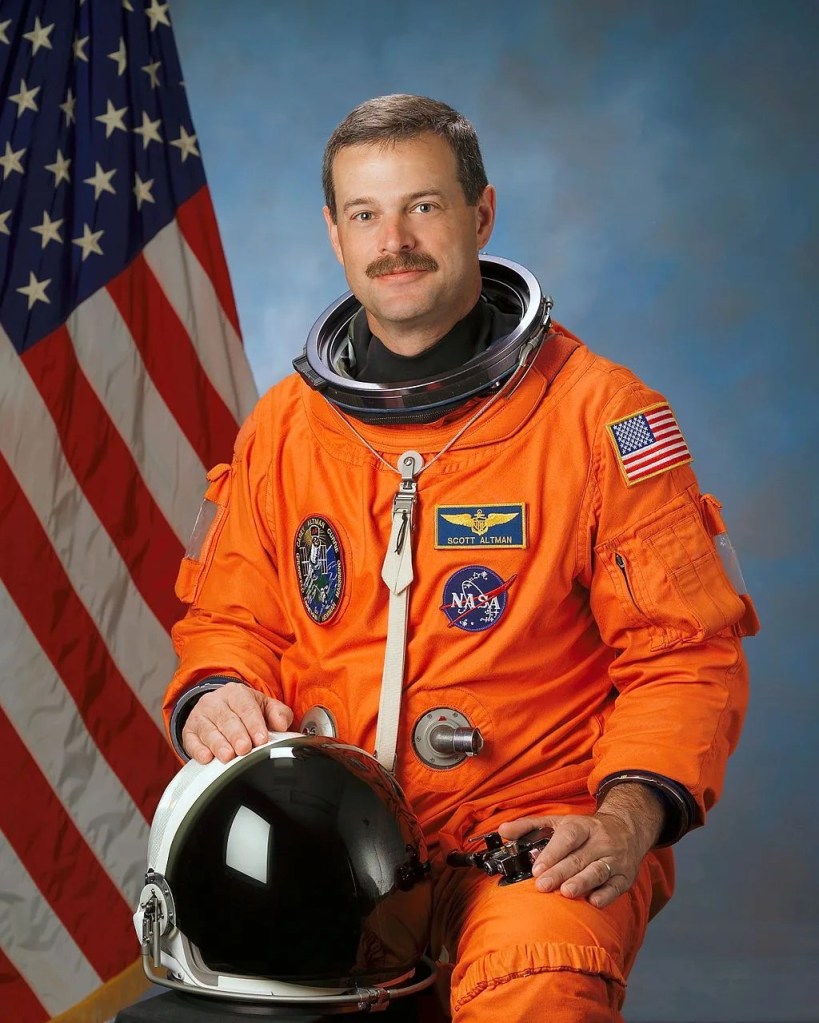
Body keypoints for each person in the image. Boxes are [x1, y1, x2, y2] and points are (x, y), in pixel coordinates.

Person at [163, 94, 759, 1022]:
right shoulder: (286, 426)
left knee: (536, 993)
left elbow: (684, 653)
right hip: (330, 838)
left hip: (530, 834)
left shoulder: (601, 419)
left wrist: (623, 818)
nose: (392, 239)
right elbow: (230, 615)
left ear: (481, 214)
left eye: (423, 206)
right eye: (365, 213)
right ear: (334, 233)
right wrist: (215, 691)